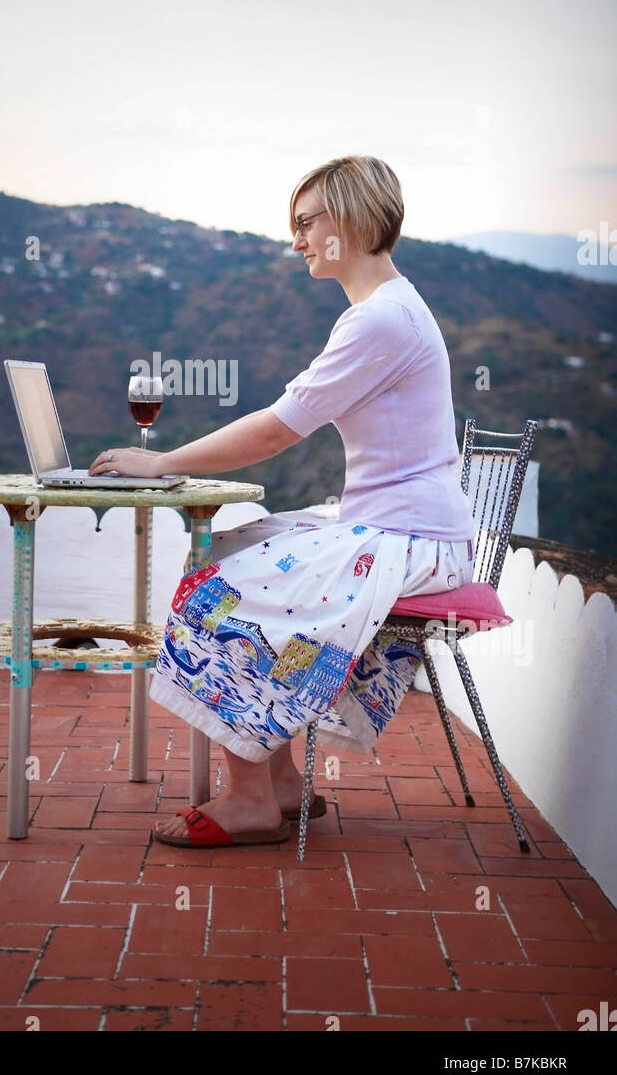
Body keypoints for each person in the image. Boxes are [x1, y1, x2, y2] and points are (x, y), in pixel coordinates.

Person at [88, 156, 476, 847]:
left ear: (350, 220)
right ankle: (284, 783)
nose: (295, 240)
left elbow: (275, 429)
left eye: (305, 223)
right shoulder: (387, 310)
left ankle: (249, 801)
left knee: (218, 597)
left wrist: (163, 462)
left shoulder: (380, 322)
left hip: (411, 541)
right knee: (237, 548)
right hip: (403, 529)